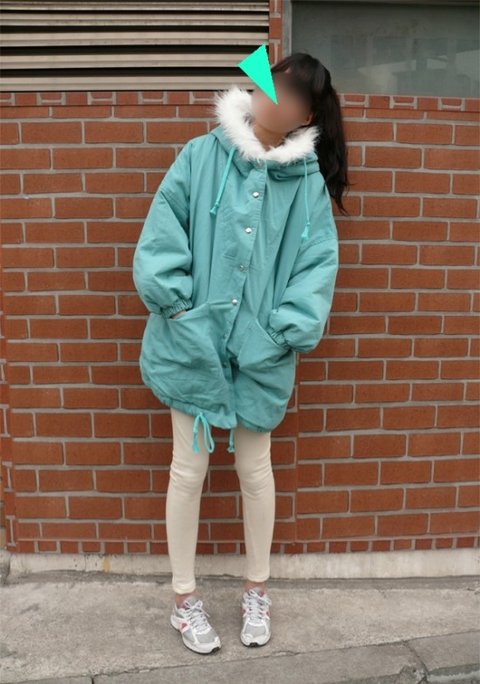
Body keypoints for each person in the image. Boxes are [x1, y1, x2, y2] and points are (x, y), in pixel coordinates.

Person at [132, 51, 349, 655]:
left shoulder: (305, 183)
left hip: (262, 352)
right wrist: (179, 310)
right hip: (191, 343)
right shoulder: (201, 156)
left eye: (293, 96)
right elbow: (163, 231)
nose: (276, 99)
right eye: (271, 86)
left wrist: (281, 334)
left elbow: (317, 265)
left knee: (256, 470)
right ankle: (183, 599)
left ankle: (257, 589)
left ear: (308, 115)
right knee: (188, 469)